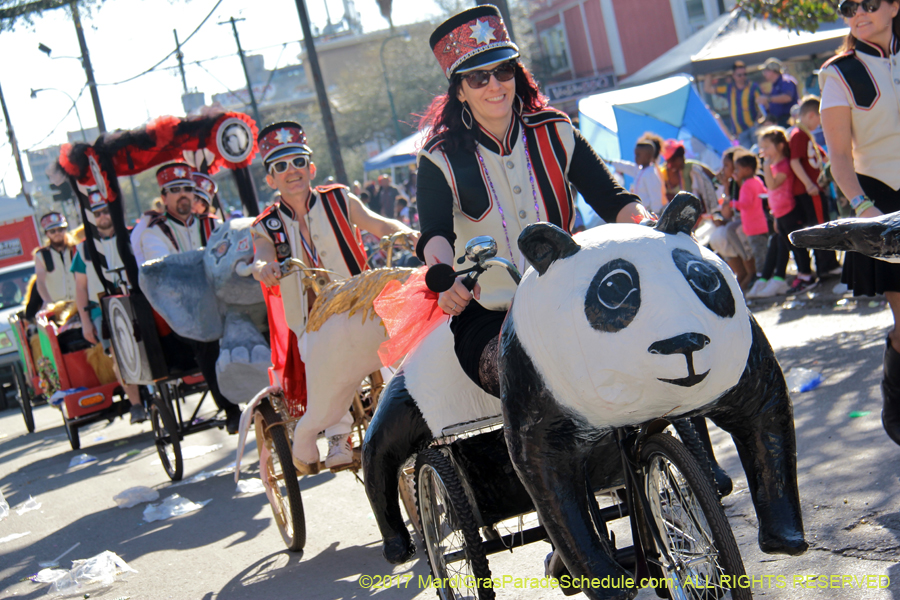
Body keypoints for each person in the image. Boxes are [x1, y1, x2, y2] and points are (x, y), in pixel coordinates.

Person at [417, 5, 647, 402]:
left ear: (516, 73)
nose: (495, 85)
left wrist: (649, 226)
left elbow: (614, 201)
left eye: (503, 70)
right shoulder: (437, 157)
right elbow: (435, 234)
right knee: (530, 386)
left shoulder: (557, 130)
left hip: (576, 298)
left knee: (657, 355)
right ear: (459, 90)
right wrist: (444, 277)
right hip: (487, 316)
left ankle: (684, 458)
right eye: (478, 77)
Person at [250, 121, 417, 471]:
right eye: (280, 166)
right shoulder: (267, 225)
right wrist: (264, 267)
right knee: (324, 361)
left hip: (361, 304)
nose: (290, 171)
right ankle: (338, 437)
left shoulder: (339, 198)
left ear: (311, 168)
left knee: (403, 341)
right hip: (313, 319)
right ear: (270, 179)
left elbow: (379, 224)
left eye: (297, 162)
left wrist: (407, 233)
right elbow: (262, 255)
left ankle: (413, 410)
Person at [818, 0, 900, 445]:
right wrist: (864, 207)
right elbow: (840, 160)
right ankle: (898, 402)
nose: (858, 13)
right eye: (849, 6)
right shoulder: (839, 72)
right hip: (882, 201)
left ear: (894, 6)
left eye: (869, 3)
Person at [136, 162, 241, 433]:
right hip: (183, 313)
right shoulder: (153, 232)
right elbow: (166, 273)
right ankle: (231, 409)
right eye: (175, 190)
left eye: (187, 189)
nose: (183, 194)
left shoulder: (213, 224)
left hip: (225, 301)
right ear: (164, 197)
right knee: (206, 333)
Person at [70, 191, 145, 424]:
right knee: (119, 355)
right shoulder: (83, 249)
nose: (102, 216)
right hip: (103, 307)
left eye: (106, 211)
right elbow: (81, 289)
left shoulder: (133, 236)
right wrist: (85, 322)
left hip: (138, 299)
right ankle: (136, 405)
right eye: (97, 213)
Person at [753, 127, 816, 297]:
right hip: (780, 213)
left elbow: (772, 185)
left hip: (789, 211)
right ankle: (802, 275)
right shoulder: (774, 166)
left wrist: (765, 167)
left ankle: (806, 275)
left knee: (797, 246)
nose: (763, 151)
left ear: (780, 146)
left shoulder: (784, 165)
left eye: (766, 147)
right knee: (789, 246)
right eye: (761, 147)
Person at [789, 95, 841, 278]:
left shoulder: (806, 135)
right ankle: (827, 266)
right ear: (812, 115)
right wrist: (809, 184)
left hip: (814, 190)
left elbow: (823, 156)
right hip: (809, 191)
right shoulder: (798, 135)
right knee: (821, 226)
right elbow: (794, 162)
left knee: (822, 223)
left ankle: (826, 264)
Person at [734, 153, 775, 297]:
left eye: (738, 169)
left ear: (746, 169)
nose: (736, 172)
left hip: (753, 227)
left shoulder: (746, 185)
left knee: (759, 254)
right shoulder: (757, 181)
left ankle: (761, 280)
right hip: (762, 224)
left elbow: (745, 204)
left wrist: (732, 203)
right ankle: (767, 277)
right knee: (764, 251)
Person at [704, 60, 765, 147]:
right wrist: (708, 72)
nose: (742, 77)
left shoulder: (753, 87)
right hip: (740, 132)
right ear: (734, 76)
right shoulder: (729, 89)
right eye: (739, 75)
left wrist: (758, 121)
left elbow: (762, 105)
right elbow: (707, 89)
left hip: (753, 128)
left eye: (744, 74)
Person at [609, 136, 666, 214]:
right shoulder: (639, 170)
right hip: (641, 211)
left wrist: (656, 213)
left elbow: (655, 196)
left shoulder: (650, 173)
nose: (635, 158)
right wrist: (610, 162)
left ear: (648, 156)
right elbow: (626, 167)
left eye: (638, 155)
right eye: (635, 154)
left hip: (649, 212)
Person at [660, 140, 718, 213]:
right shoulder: (662, 174)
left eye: (683, 157)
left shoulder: (690, 167)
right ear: (670, 162)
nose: (683, 161)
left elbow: (713, 176)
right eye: (679, 159)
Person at [34, 212, 76, 306]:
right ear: (47, 234)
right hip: (58, 305)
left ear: (65, 230)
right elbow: (40, 282)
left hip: (80, 301)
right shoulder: (42, 255)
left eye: (60, 229)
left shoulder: (76, 249)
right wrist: (48, 302)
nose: (57, 233)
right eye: (52, 231)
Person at [761, 58, 799, 128]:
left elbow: (788, 97)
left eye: (765, 71)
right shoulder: (774, 85)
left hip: (789, 119)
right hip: (779, 121)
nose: (764, 74)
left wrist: (768, 99)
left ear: (772, 71)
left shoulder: (786, 81)